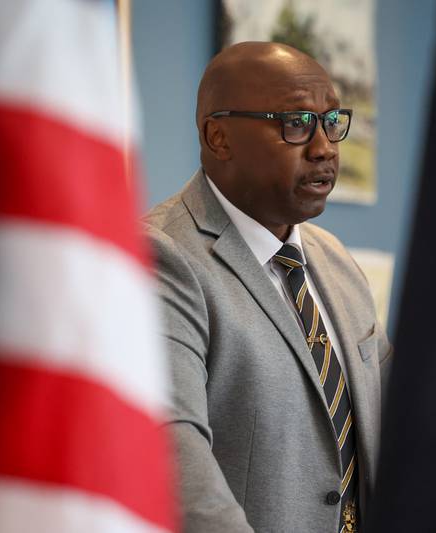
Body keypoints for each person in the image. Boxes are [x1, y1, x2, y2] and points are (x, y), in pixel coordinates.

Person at [145, 41, 391, 533]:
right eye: (296, 123)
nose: (324, 147)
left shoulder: (335, 260)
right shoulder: (161, 259)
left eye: (331, 121)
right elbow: (174, 457)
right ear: (219, 138)